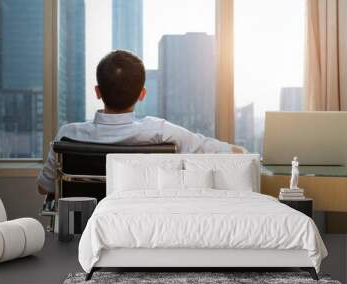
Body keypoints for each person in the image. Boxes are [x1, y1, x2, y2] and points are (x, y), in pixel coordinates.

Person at [37, 50, 245, 195]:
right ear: (142, 94)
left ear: (97, 92)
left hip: (81, 231)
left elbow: (44, 187)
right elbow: (224, 152)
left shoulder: (68, 135)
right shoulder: (160, 132)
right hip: (141, 229)